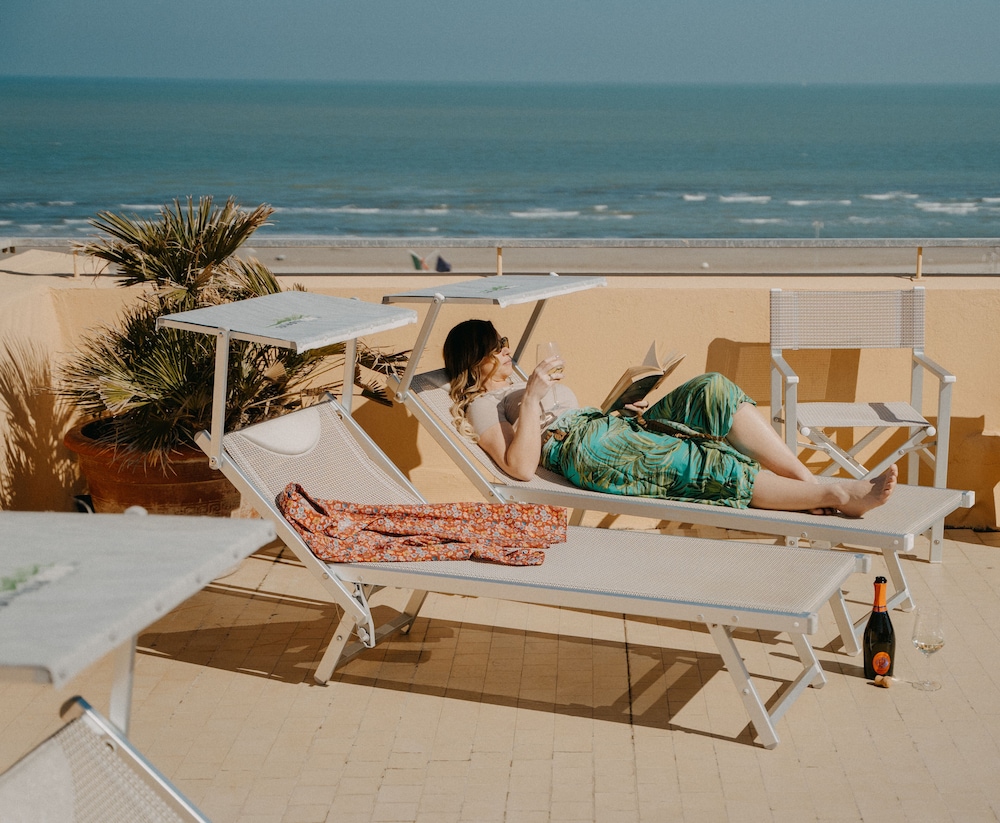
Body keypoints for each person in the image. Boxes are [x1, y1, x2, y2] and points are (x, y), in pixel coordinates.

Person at [442, 319, 897, 516]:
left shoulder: (520, 380)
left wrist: (621, 406)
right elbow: (521, 467)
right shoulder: (482, 403)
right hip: (582, 448)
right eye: (496, 347)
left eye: (504, 341)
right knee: (694, 461)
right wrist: (533, 398)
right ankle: (836, 493)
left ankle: (803, 482)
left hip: (608, 426)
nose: (506, 349)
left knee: (713, 390)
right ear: (475, 361)